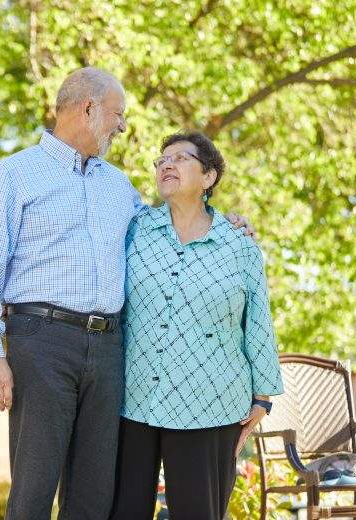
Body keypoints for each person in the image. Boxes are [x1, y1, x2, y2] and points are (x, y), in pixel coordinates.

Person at [0, 68, 254, 520]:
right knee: (35, 487)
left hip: (111, 347)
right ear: (88, 109)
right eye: (118, 114)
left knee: (95, 492)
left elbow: (169, 229)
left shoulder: (119, 186)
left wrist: (224, 222)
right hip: (41, 340)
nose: (122, 126)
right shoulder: (13, 176)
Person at [109, 132, 284, 520]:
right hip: (133, 397)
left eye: (180, 158)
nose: (166, 165)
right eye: (161, 160)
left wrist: (263, 398)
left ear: (209, 177)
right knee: (122, 511)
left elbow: (257, 320)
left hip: (211, 402)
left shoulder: (238, 244)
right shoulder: (135, 231)